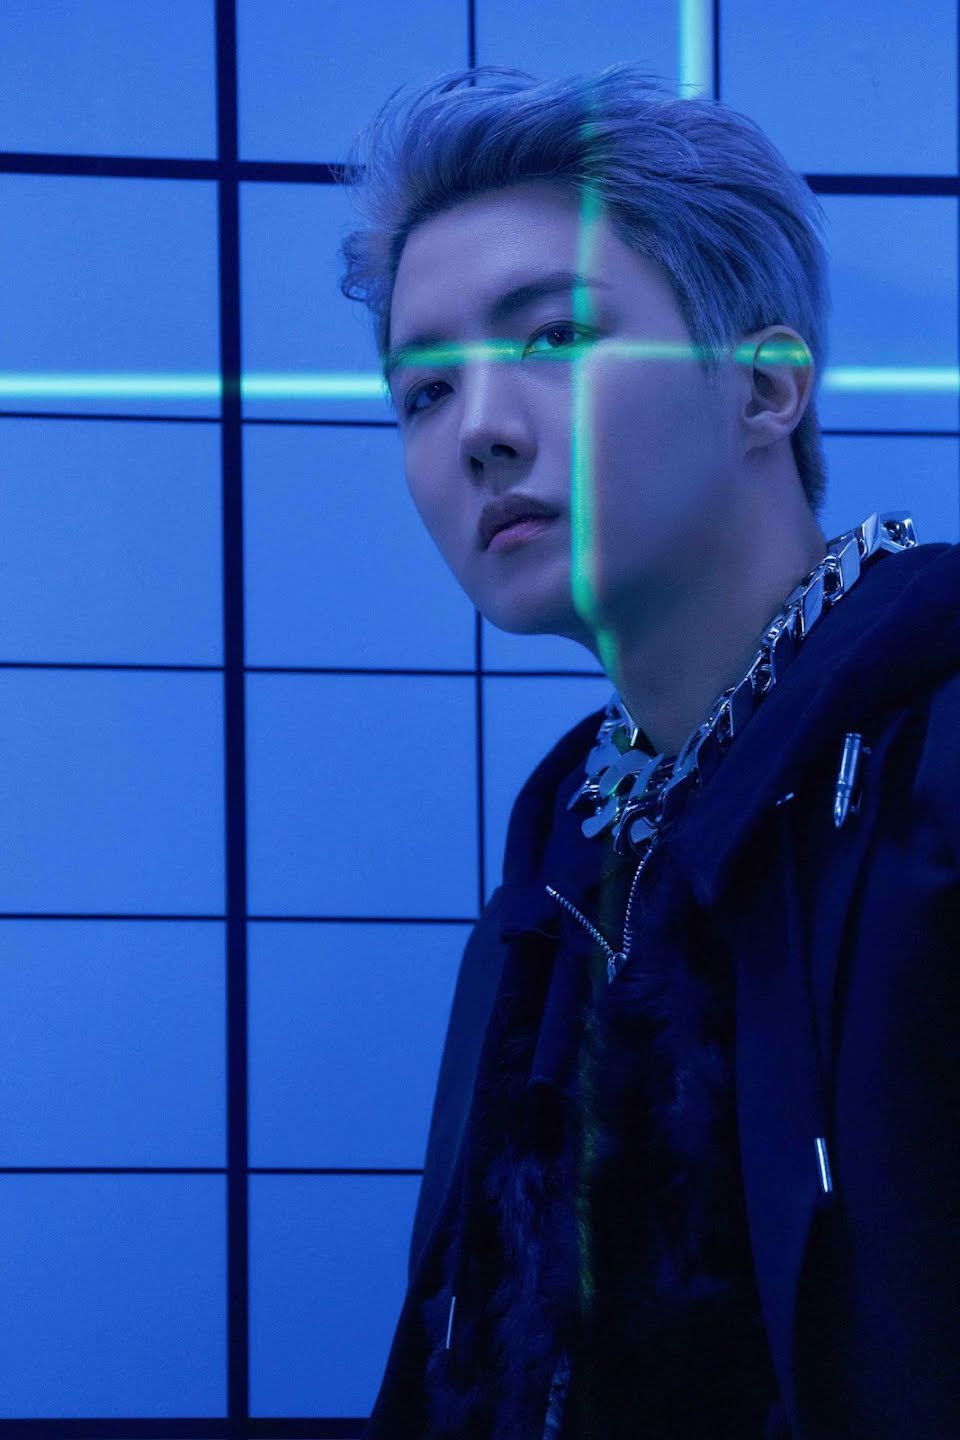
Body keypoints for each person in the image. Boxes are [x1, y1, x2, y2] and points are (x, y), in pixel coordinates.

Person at [337, 63, 960, 1438]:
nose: (480, 430)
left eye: (555, 337)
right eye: (424, 390)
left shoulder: (935, 756)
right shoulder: (566, 835)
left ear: (767, 387)